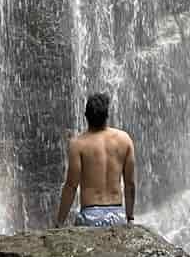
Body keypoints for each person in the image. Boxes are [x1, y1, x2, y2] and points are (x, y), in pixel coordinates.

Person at [53, 91, 135, 228]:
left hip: (90, 216)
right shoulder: (125, 140)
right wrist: (130, 218)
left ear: (85, 116)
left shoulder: (78, 144)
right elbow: (130, 184)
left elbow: (71, 187)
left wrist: (59, 222)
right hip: (118, 215)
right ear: (107, 115)